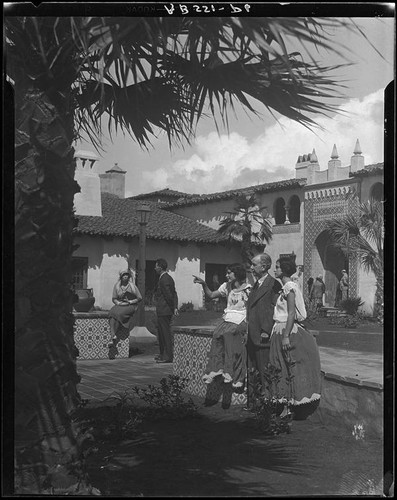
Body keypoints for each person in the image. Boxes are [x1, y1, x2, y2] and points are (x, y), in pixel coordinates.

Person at [268, 257, 321, 419]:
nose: (275, 270)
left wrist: (285, 336)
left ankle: (290, 406)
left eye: (277, 267)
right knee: (281, 366)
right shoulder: (285, 288)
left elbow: (291, 313)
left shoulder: (290, 287)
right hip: (279, 329)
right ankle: (284, 404)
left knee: (289, 366)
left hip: (287, 330)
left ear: (283, 270)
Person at [193, 263, 251, 389]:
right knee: (217, 334)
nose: (226, 275)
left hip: (241, 318)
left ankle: (230, 372)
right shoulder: (227, 286)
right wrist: (204, 284)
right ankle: (216, 368)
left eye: (229, 272)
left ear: (237, 274)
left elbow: (251, 309)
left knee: (229, 334)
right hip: (229, 317)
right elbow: (212, 295)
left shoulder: (248, 289)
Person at [245, 253, 282, 407]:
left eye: (254, 264)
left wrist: (266, 329)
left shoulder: (273, 284)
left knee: (264, 370)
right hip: (252, 334)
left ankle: (266, 404)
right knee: (252, 370)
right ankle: (254, 403)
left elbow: (275, 307)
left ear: (264, 266)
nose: (251, 267)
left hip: (262, 335)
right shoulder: (257, 284)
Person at [108, 269, 142, 359]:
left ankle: (112, 337)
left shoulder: (132, 286)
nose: (125, 277)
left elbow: (139, 298)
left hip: (131, 305)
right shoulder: (117, 286)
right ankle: (113, 336)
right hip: (120, 304)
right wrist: (119, 303)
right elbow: (114, 298)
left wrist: (130, 301)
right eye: (124, 275)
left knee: (119, 314)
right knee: (112, 312)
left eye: (127, 275)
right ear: (121, 277)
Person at [154, 258, 179, 363]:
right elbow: (174, 293)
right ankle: (163, 354)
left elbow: (169, 295)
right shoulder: (166, 278)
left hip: (165, 310)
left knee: (165, 333)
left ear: (160, 267)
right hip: (164, 309)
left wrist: (173, 307)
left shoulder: (164, 279)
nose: (155, 268)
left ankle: (167, 356)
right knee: (161, 333)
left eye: (156, 266)